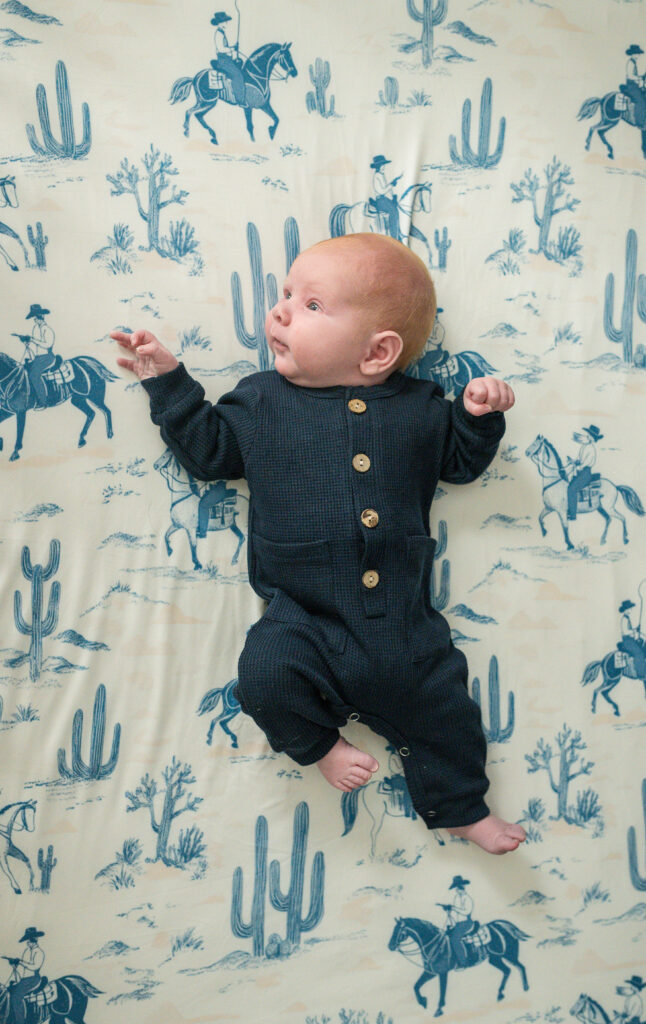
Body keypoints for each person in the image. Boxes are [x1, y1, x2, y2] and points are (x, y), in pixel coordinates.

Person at [111, 232, 526, 855]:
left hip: (403, 625)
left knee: (447, 709)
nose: (279, 312)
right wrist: (169, 382)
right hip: (301, 617)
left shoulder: (420, 409)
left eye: (310, 305)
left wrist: (477, 416)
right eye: (284, 294)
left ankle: (463, 807)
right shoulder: (260, 400)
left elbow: (461, 465)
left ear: (378, 351)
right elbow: (210, 450)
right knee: (262, 677)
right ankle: (321, 745)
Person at [7, 927, 45, 1024]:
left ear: (35, 940)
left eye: (30, 940)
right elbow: (23, 968)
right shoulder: (26, 951)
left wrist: (20, 962)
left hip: (34, 979)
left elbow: (34, 967)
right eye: (27, 940)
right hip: (24, 979)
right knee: (9, 991)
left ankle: (20, 1022)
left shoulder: (39, 952)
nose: (28, 942)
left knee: (16, 997)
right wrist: (14, 964)